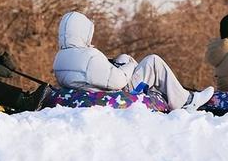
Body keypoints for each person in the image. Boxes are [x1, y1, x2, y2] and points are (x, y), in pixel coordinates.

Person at [52, 11, 214, 111]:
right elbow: (117, 81)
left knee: (123, 57)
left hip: (91, 89)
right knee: (153, 61)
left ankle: (165, 91)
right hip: (117, 91)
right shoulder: (89, 55)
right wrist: (129, 66)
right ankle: (186, 101)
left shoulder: (61, 56)